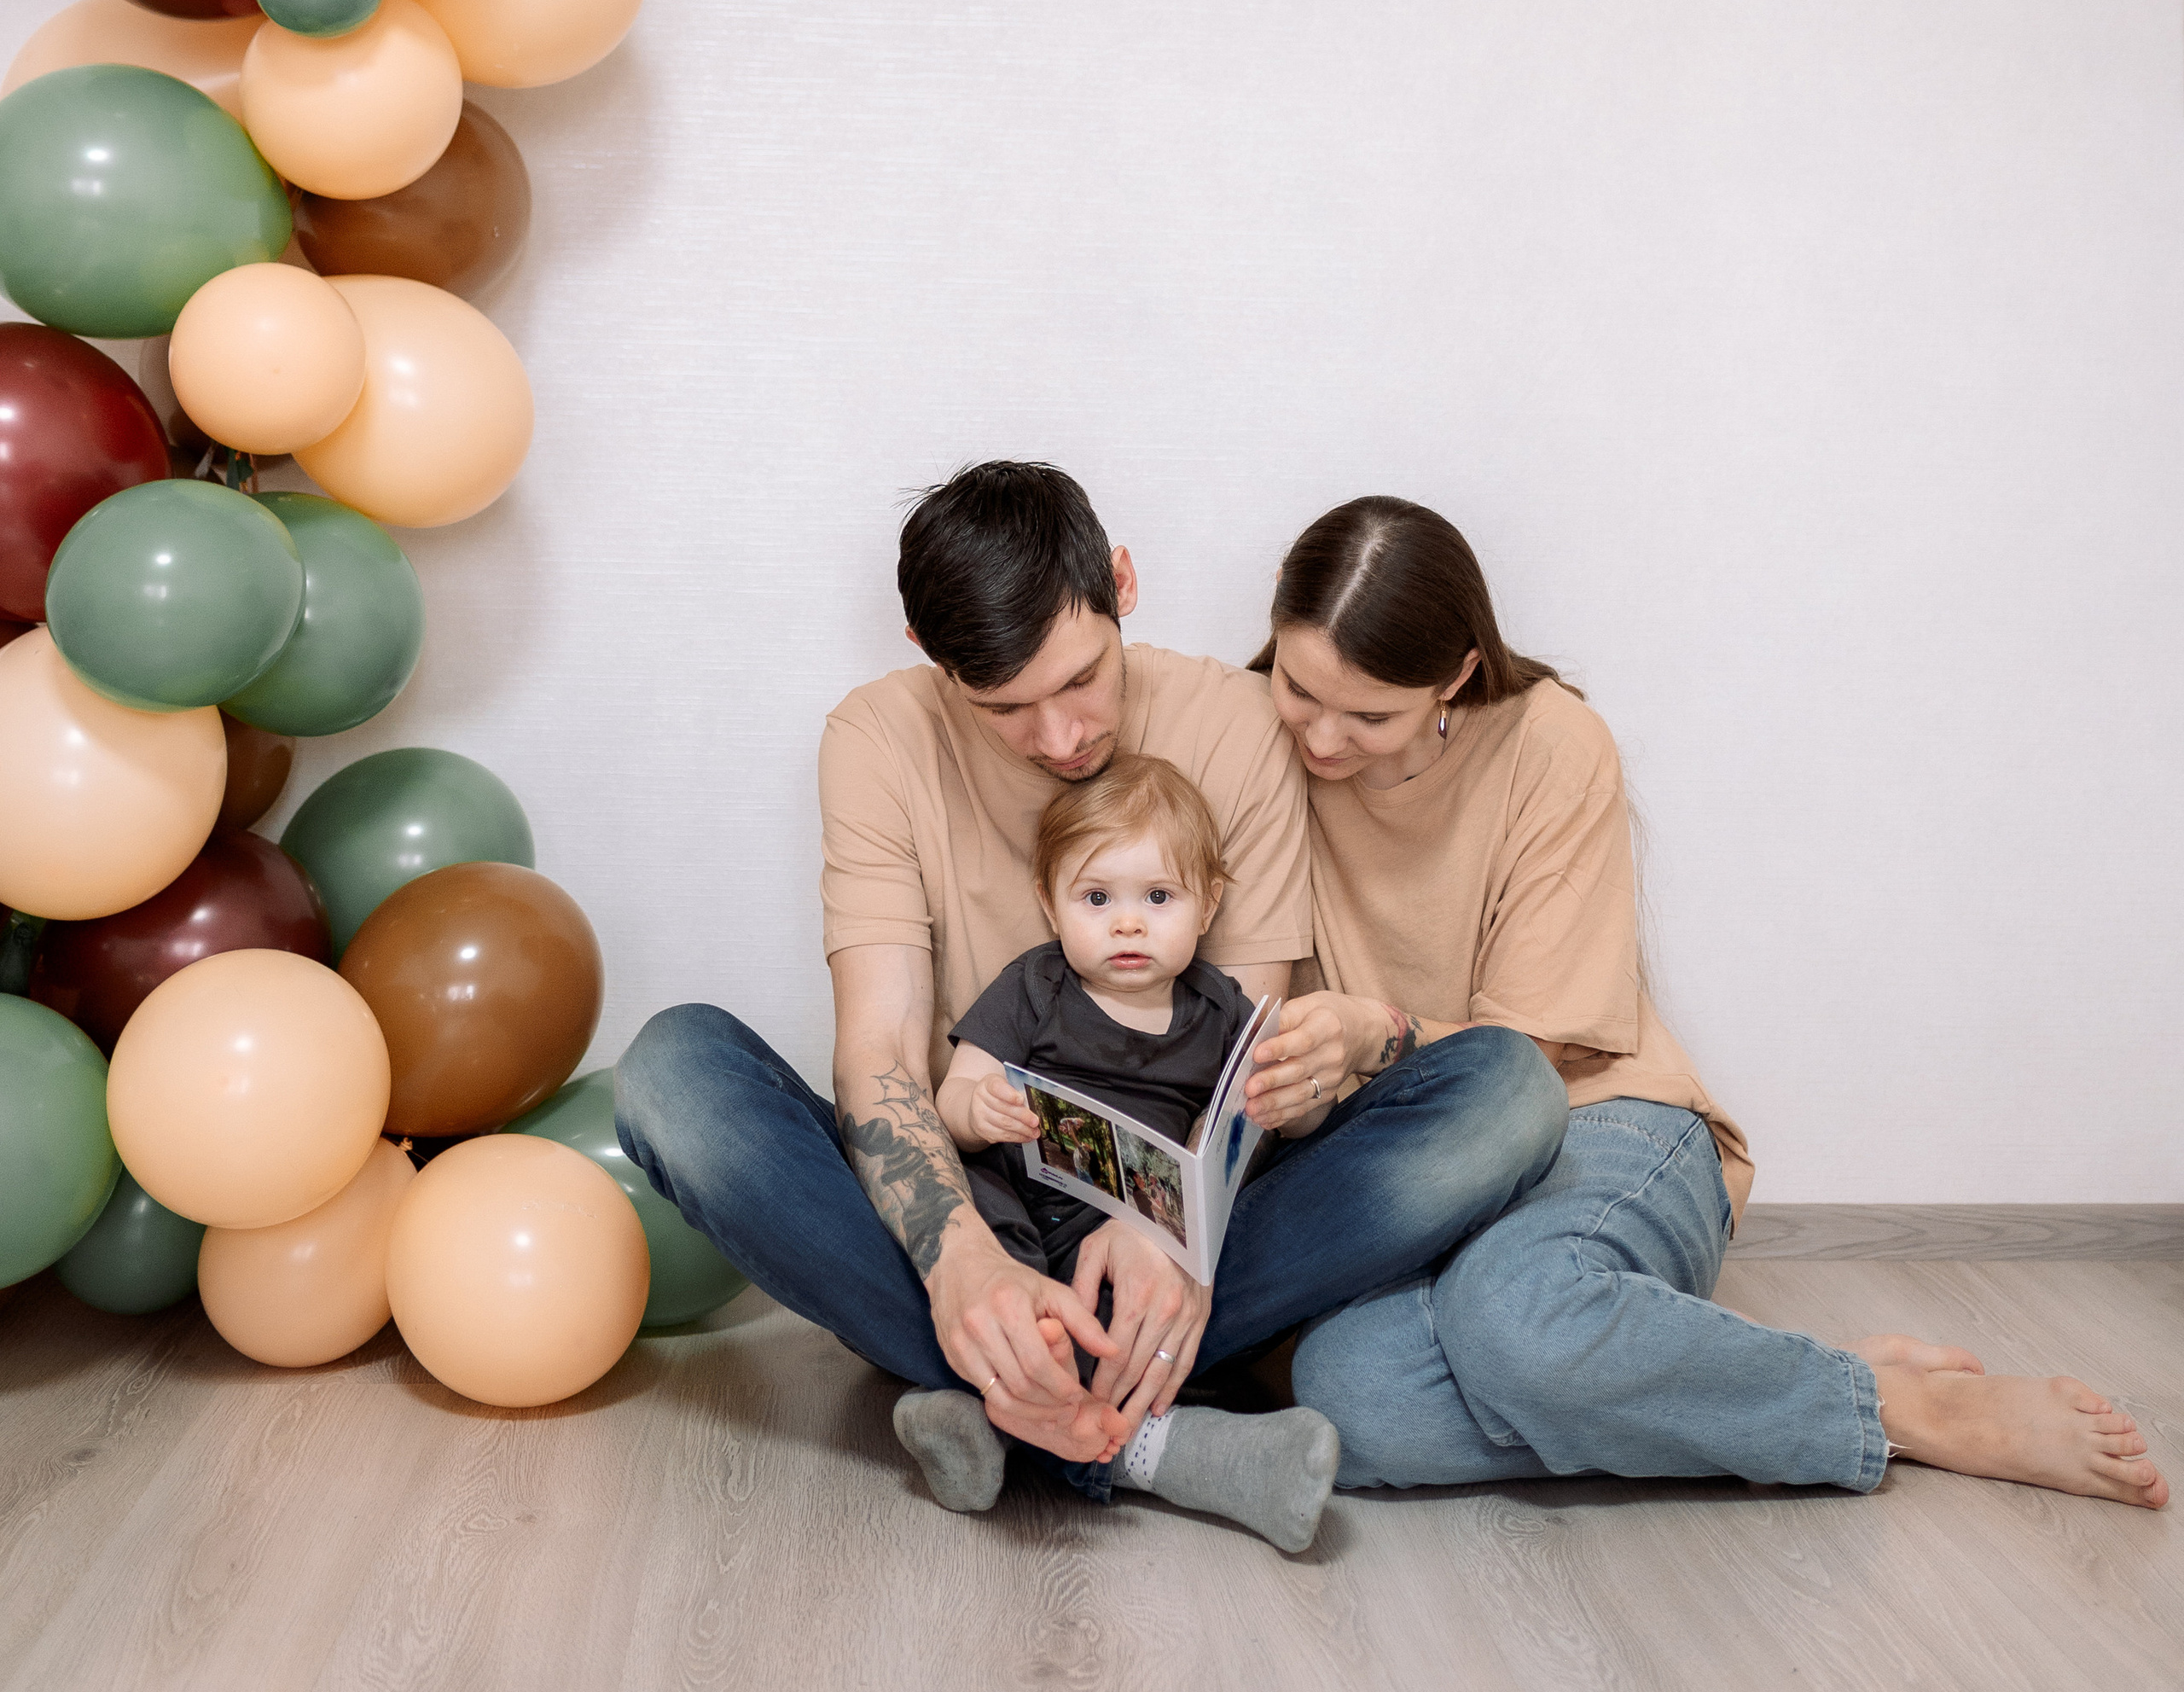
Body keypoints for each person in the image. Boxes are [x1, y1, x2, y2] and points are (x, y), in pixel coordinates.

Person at [614, 462, 1568, 1538]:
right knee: (672, 1069)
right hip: (982, 1193)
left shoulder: (1238, 722)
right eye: (1006, 708)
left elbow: (1231, 1060)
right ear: (935, 660)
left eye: (1082, 679)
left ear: (1120, 582)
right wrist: (959, 1259)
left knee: (1505, 1089)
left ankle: (1007, 1401)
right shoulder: (875, 738)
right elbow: (879, 1052)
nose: (1062, 737)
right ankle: (1135, 1430)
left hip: (1192, 1209)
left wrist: (1156, 1229)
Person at [1238, 496, 2169, 1512]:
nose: (1323, 738)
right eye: (1298, 689)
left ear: (1456, 674)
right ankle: (1696, 1369)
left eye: (1369, 714)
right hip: (1404, 1173)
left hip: (1597, 1118)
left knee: (1514, 1319)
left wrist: (1383, 1032)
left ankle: (1894, 1410)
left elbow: (1529, 1058)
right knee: (1351, 1397)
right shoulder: (1242, 744)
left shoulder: (1552, 743)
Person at [926, 752, 1340, 1550]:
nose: (1127, 922)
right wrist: (977, 1107)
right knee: (975, 1194)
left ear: (1208, 901)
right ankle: (1048, 1398)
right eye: (1097, 898)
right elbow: (950, 1101)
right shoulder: (1035, 987)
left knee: (1231, 1234)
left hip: (1144, 1262)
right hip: (1025, 1229)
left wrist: (1299, 1101)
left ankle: (990, 1416)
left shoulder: (1221, 1009)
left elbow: (1257, 1132)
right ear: (1049, 903)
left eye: (1158, 897)